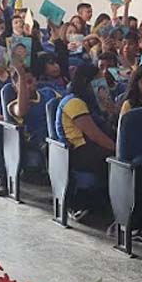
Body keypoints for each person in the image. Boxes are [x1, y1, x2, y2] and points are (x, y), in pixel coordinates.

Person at [0, 63, 59, 196]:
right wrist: (21, 76)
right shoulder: (14, 104)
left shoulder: (48, 93)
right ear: (15, 87)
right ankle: (3, 177)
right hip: (33, 141)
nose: (28, 86)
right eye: (23, 83)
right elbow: (21, 111)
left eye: (30, 81)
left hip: (54, 134)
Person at [56, 64, 116, 220]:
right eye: (96, 80)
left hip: (93, 148)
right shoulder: (74, 102)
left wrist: (111, 112)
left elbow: (105, 127)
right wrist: (118, 149)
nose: (100, 84)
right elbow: (94, 135)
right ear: (85, 81)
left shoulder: (92, 102)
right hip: (79, 151)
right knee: (119, 161)